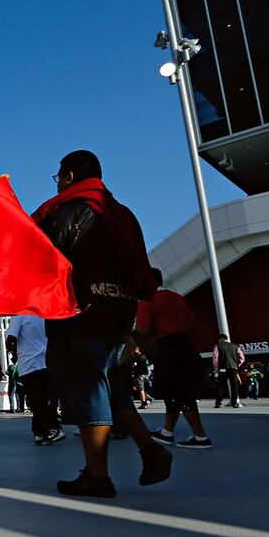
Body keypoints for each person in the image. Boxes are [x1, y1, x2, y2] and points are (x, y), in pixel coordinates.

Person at [32, 149, 172, 498]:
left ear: (68, 176)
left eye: (59, 177)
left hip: (83, 310)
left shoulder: (72, 209)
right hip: (119, 311)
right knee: (112, 385)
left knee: (89, 388)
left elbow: (44, 249)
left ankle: (97, 476)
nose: (58, 184)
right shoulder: (120, 213)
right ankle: (150, 449)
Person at [136, 269, 212, 449]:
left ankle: (200, 436)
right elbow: (190, 320)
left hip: (167, 348)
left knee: (178, 393)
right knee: (177, 392)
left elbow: (143, 328)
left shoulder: (147, 300)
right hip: (185, 344)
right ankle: (167, 432)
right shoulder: (177, 297)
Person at [5, 315, 64, 446]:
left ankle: (54, 427)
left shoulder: (19, 315)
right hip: (46, 362)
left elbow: (10, 339)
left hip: (29, 363)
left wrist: (13, 352)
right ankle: (39, 432)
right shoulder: (44, 315)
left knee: (36, 400)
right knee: (41, 398)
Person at [212, 334, 245, 408]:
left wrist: (216, 368)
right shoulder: (235, 346)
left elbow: (215, 359)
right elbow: (242, 358)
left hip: (222, 368)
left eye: (219, 339)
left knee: (220, 386)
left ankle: (218, 403)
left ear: (221, 339)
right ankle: (235, 403)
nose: (218, 341)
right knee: (234, 386)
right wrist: (237, 365)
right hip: (233, 368)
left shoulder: (217, 346)